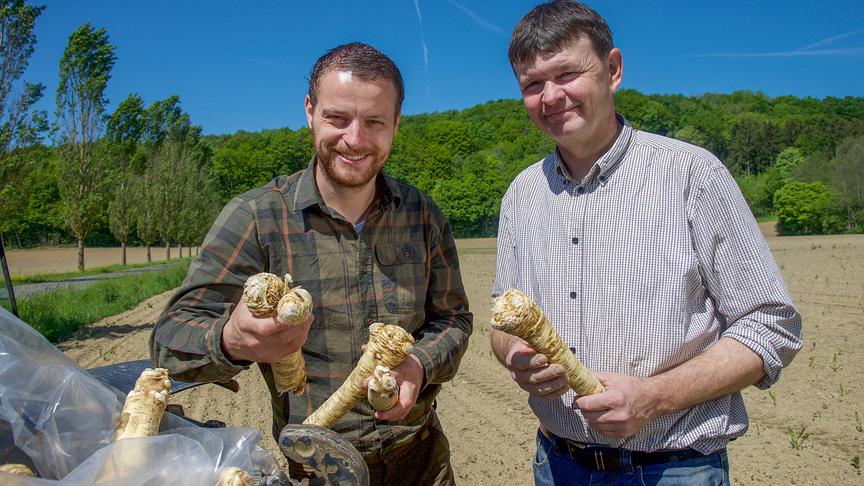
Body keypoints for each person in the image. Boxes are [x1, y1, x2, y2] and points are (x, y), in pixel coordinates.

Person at [490, 2, 803, 484]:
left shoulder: (692, 174)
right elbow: (503, 318)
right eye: (532, 84)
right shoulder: (521, 194)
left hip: (675, 469)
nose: (550, 96)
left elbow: (770, 326)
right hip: (556, 464)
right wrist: (515, 355)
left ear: (612, 70)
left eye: (567, 73)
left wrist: (656, 397)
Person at [150, 42, 472, 485]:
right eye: (337, 118)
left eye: (374, 122)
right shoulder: (256, 217)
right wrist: (233, 340)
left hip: (422, 460)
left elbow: (453, 319)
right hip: (317, 472)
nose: (354, 139)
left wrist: (417, 363)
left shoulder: (422, 214)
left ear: (396, 123)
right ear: (310, 111)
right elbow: (169, 339)